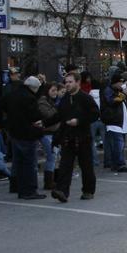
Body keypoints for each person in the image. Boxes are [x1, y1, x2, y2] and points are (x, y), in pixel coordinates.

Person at [51, 71, 99, 203]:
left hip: (83, 137)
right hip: (68, 138)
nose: (67, 84)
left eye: (70, 82)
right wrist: (43, 122)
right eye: (66, 82)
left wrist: (78, 121)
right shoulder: (65, 99)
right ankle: (62, 191)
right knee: (65, 165)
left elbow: (95, 114)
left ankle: (88, 191)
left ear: (77, 83)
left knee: (86, 166)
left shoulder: (85, 98)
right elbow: (58, 116)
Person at [3, 75, 46, 199]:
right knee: (29, 163)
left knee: (19, 162)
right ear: (34, 88)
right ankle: (30, 190)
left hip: (15, 132)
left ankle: (19, 188)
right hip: (27, 133)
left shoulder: (13, 94)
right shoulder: (29, 98)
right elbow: (35, 115)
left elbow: (2, 103)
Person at [100, 71, 127, 174]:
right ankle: (119, 163)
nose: (121, 85)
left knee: (115, 143)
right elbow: (112, 101)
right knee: (118, 143)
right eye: (119, 83)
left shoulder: (116, 90)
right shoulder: (109, 91)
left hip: (117, 120)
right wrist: (123, 94)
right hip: (112, 120)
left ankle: (114, 163)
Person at [36, 81, 61, 191]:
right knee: (51, 156)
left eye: (56, 90)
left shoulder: (52, 101)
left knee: (55, 156)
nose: (55, 93)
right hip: (46, 133)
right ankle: (48, 181)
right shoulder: (43, 102)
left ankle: (55, 179)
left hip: (54, 132)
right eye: (53, 90)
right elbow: (50, 115)